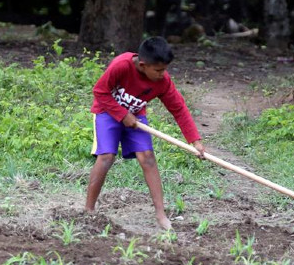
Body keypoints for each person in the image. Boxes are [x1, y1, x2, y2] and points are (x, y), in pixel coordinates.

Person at [85, 37, 205, 230]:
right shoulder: (121, 65)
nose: (162, 74)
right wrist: (122, 114)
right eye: (158, 70)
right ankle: (89, 211)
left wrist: (195, 141)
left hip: (136, 117)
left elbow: (179, 109)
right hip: (107, 112)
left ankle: (161, 215)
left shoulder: (162, 82)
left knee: (148, 157)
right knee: (106, 156)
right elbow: (100, 91)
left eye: (165, 69)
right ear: (143, 65)